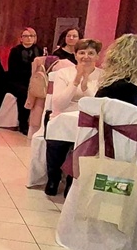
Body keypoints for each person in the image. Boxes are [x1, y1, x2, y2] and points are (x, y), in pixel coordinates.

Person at [43, 39, 102, 196]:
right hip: (62, 116)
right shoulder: (64, 73)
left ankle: (72, 179)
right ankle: (53, 177)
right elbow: (58, 104)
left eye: (91, 53)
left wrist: (85, 85)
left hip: (89, 120)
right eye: (82, 53)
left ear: (97, 56)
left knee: (84, 143)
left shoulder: (103, 76)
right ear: (75, 55)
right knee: (56, 141)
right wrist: (76, 81)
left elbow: (96, 104)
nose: (86, 57)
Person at [7, 27, 43, 134]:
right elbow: (13, 69)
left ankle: (37, 123)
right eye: (26, 36)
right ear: (21, 38)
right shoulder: (15, 51)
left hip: (35, 79)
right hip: (18, 80)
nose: (28, 38)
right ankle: (23, 123)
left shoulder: (39, 50)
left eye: (31, 36)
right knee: (24, 94)